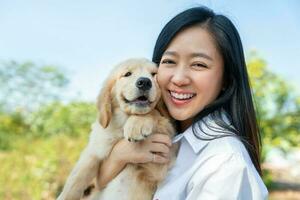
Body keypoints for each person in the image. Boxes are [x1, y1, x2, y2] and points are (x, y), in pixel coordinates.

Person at [96, 6, 268, 200]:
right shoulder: (147, 136)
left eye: (199, 64)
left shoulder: (224, 165)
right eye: (169, 61)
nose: (178, 78)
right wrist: (117, 157)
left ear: (226, 79)